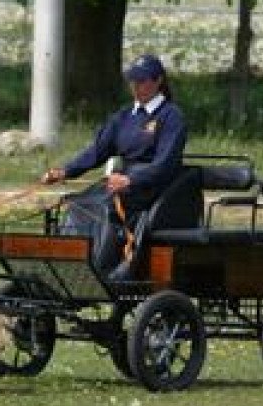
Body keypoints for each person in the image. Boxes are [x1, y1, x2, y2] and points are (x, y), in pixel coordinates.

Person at [41, 54, 187, 279]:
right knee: (78, 203)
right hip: (120, 183)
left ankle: (108, 266)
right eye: (133, 81)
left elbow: (165, 163)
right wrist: (65, 171)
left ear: (158, 81)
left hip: (151, 187)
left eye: (142, 81)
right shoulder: (124, 116)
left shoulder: (171, 117)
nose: (136, 86)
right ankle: (70, 262)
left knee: (105, 206)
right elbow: (97, 152)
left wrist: (131, 180)